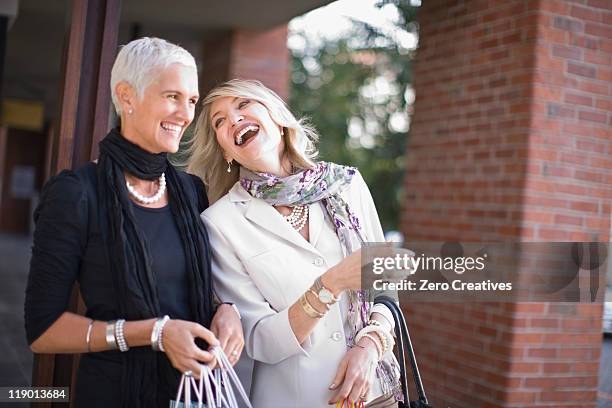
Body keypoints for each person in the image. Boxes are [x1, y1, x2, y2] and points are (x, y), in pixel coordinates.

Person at [24, 38, 243, 408]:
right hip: (116, 395)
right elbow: (43, 331)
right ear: (127, 97)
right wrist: (154, 333)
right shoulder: (77, 194)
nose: (185, 114)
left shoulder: (191, 191)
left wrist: (226, 310)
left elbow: (193, 287)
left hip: (193, 395)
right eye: (172, 96)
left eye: (191, 101)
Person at [187, 79, 401, 408]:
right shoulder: (220, 222)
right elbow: (259, 339)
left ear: (278, 117)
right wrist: (329, 285)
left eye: (243, 105)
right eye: (219, 121)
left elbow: (384, 279)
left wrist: (370, 345)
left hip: (374, 392)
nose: (233, 119)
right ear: (225, 151)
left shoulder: (347, 185)